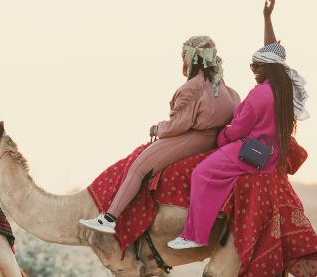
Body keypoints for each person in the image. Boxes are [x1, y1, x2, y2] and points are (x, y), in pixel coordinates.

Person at [168, 0, 310, 249]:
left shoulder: (259, 95)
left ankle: (194, 236)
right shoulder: (284, 86)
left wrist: (221, 136)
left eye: (257, 66)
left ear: (268, 68)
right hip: (273, 151)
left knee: (203, 173)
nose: (253, 69)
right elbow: (273, 51)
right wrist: (267, 18)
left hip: (252, 151)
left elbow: (238, 131)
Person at [80, 35, 241, 234]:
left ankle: (109, 218)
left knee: (137, 168)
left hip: (192, 136)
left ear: (190, 58)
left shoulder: (192, 88)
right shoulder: (227, 90)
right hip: (212, 139)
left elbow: (178, 125)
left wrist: (158, 128)